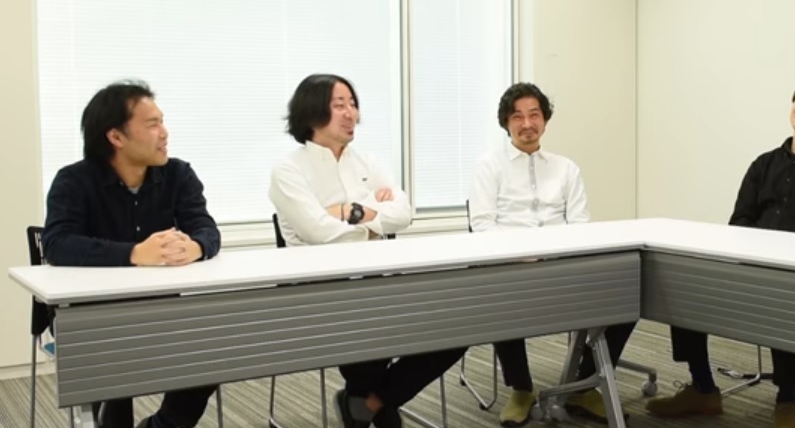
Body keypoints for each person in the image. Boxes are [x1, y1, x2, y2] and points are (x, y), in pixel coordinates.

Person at [646, 73, 795, 428]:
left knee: (785, 293)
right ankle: (703, 387)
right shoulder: (763, 164)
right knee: (686, 285)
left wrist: (788, 252)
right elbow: (740, 221)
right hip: (752, 269)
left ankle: (787, 399)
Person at [269, 74, 464, 428]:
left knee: (457, 327)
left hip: (379, 279)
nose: (351, 113)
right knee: (369, 326)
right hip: (322, 290)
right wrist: (374, 214)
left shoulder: (368, 162)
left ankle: (368, 402)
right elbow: (318, 233)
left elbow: (403, 214)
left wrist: (350, 212)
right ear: (311, 113)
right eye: (339, 105)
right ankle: (373, 403)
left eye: (353, 104)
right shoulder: (288, 170)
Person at [42, 80, 221, 428]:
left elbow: (206, 228)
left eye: (162, 122)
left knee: (213, 350)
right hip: (94, 316)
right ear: (116, 137)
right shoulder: (73, 181)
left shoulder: (178, 174)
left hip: (162, 310)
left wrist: (196, 246)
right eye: (152, 124)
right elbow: (57, 243)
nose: (164, 133)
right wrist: (135, 253)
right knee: (113, 369)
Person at [469, 82, 636, 426]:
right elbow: (482, 226)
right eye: (518, 117)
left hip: (562, 267)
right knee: (498, 295)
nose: (527, 123)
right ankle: (521, 389)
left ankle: (583, 386)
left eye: (534, 115)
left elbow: (580, 224)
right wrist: (524, 253)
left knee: (627, 296)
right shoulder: (490, 166)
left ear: (545, 120)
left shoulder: (566, 168)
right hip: (511, 268)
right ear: (506, 123)